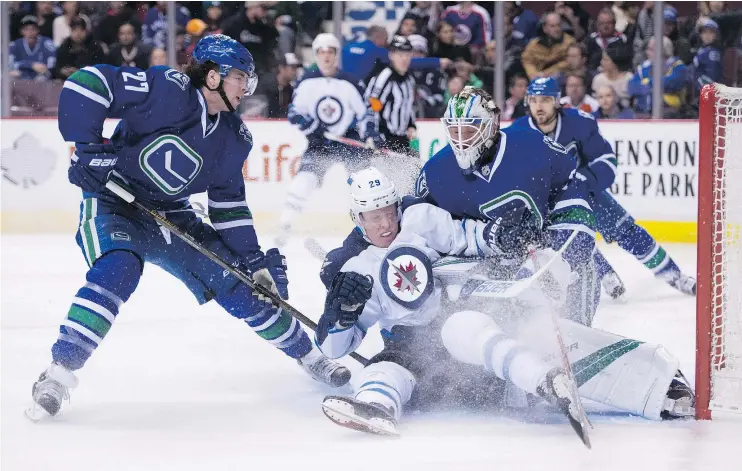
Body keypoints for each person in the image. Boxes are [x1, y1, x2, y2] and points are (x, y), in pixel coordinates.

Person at [28, 34, 350, 421]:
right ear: (212, 76)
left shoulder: (233, 137)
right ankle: (58, 374)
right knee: (118, 268)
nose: (246, 87)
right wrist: (87, 148)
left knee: (243, 285)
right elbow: (88, 83)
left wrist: (253, 262)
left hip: (171, 213)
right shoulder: (167, 89)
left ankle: (311, 356)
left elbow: (229, 207)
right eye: (239, 78)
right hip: (114, 201)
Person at [317, 172, 694, 436]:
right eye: (373, 215)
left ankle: (548, 380)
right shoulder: (355, 270)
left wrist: (500, 236)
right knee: (382, 371)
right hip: (411, 348)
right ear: (357, 218)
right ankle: (377, 408)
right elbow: (337, 348)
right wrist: (339, 315)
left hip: (458, 319)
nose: (385, 223)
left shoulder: (419, 219)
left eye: (388, 211)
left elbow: (469, 236)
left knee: (464, 328)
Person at [514, 77, 696, 299]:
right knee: (570, 239)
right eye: (533, 100)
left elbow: (606, 159)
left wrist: (584, 181)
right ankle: (603, 271)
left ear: (557, 101)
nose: (539, 106)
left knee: (629, 232)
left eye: (545, 100)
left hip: (585, 192)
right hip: (547, 203)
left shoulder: (579, 122)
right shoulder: (518, 131)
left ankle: (674, 276)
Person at [275, 33, 379, 247]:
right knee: (303, 180)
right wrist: (313, 128)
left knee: (363, 185)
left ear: (336, 54)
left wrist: (369, 134)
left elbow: (366, 113)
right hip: (319, 143)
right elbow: (294, 114)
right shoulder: (306, 82)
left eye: (330, 51)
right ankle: (284, 226)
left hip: (349, 142)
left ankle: (372, 229)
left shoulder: (351, 82)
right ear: (316, 55)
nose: (326, 56)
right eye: (321, 52)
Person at [364, 36, 419, 157]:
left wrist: (411, 125)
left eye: (407, 54)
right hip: (383, 140)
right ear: (391, 55)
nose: (404, 59)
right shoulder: (384, 78)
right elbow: (371, 107)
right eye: (400, 55)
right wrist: (371, 133)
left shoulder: (410, 80)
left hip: (402, 140)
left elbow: (408, 106)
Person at [340, 25, 447, 85]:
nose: (387, 43)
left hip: (342, 87)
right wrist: (438, 62)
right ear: (378, 37)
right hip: (361, 91)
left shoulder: (347, 47)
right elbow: (408, 62)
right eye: (386, 39)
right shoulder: (375, 50)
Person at [628, 36, 690, 118]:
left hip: (672, 114)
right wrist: (651, 86)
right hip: (643, 114)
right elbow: (632, 87)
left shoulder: (678, 66)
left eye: (651, 50)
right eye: (648, 49)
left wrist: (647, 83)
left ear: (663, 51)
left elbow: (670, 83)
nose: (647, 52)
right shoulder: (644, 67)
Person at [520, 12, 575, 80]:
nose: (556, 29)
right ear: (545, 28)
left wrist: (546, 73)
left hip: (562, 79)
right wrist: (533, 74)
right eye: (552, 26)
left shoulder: (570, 42)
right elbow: (527, 61)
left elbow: (570, 61)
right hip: (537, 78)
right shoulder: (534, 44)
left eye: (558, 25)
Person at [9, 16, 56, 81]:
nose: (30, 32)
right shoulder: (15, 44)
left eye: (33, 29)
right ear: (21, 31)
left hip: (40, 76)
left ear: (38, 30)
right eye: (26, 29)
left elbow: (51, 64)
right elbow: (10, 64)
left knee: (41, 78)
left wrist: (40, 68)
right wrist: (31, 65)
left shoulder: (47, 43)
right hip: (21, 75)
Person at [693, 19, 722, 94]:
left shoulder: (713, 52)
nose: (707, 35)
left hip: (707, 93)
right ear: (700, 34)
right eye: (704, 32)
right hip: (698, 91)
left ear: (716, 35)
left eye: (711, 32)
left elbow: (712, 75)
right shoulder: (701, 49)